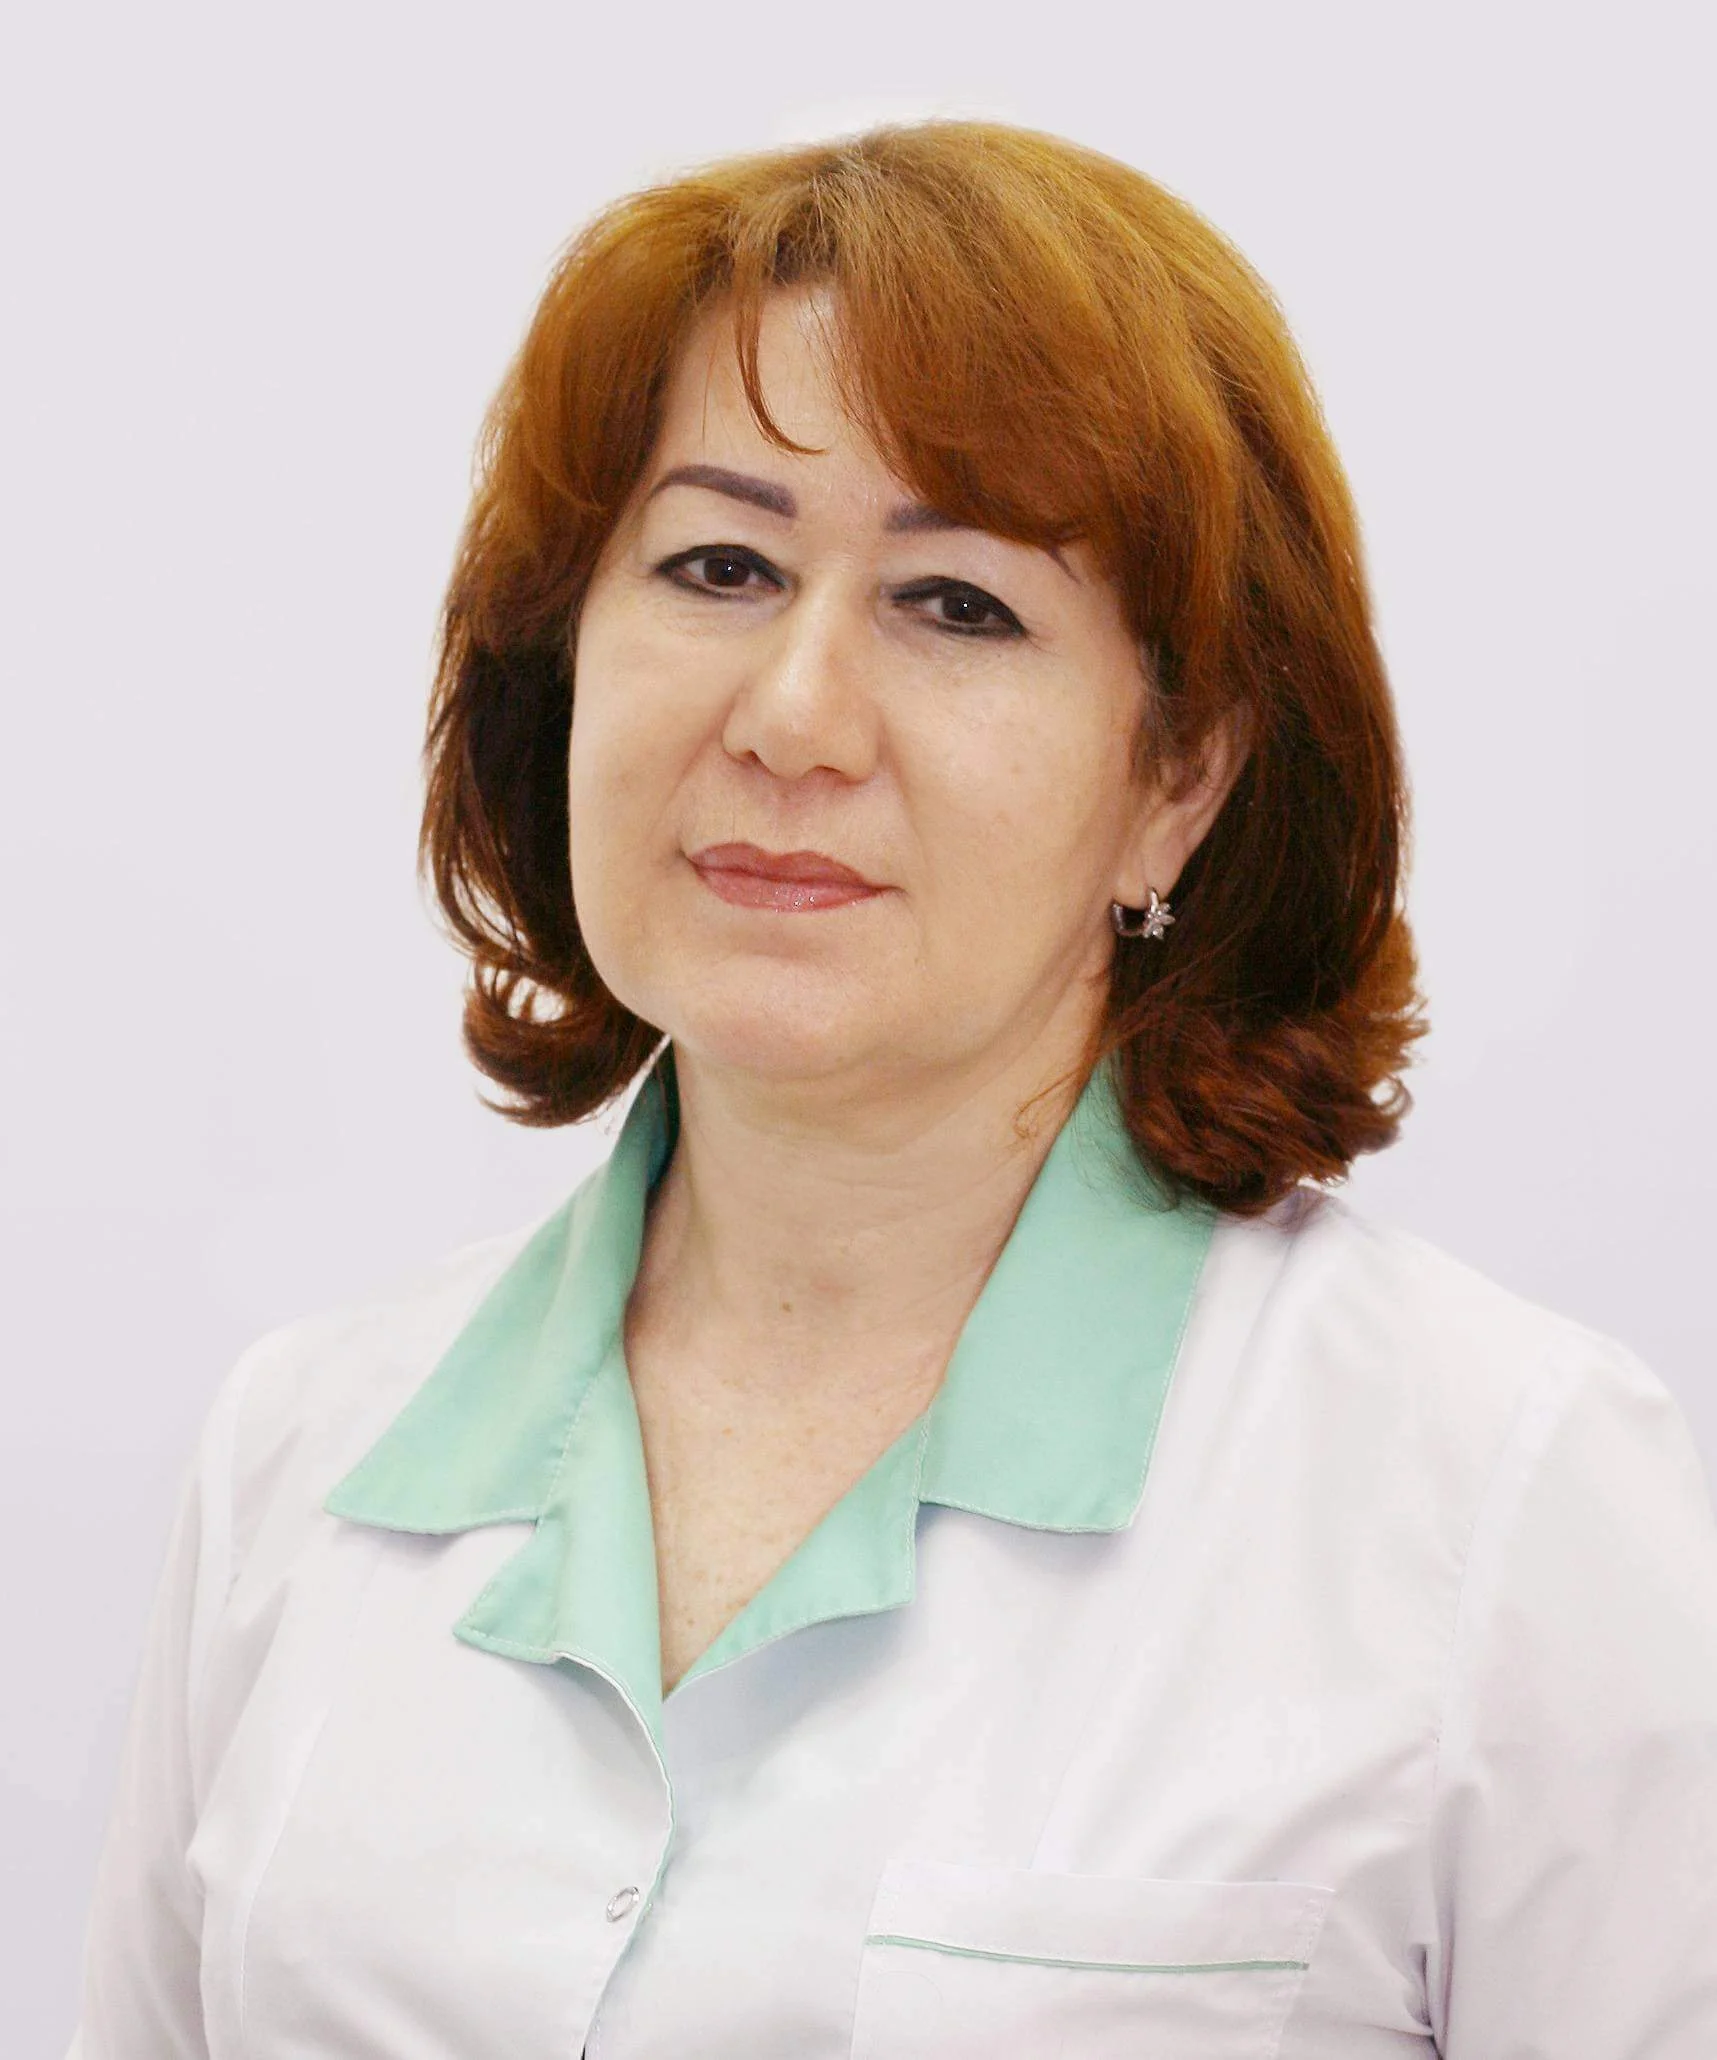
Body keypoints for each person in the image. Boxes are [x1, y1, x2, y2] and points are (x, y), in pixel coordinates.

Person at [68, 121, 1717, 2058]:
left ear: (1177, 775)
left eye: (958, 605)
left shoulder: (1497, 1510)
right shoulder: (299, 1461)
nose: (793, 718)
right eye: (719, 564)